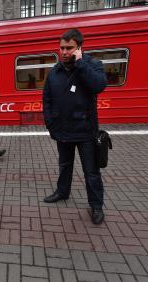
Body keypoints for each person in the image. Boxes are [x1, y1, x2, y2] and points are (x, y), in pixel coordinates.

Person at [42, 29, 108, 225]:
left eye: (69, 48)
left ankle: (96, 206)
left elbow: (99, 86)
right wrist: (50, 122)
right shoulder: (55, 71)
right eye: (61, 48)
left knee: (91, 172)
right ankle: (62, 192)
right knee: (64, 166)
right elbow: (47, 98)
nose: (64, 52)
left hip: (86, 131)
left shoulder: (92, 65)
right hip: (62, 130)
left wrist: (80, 64)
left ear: (79, 48)